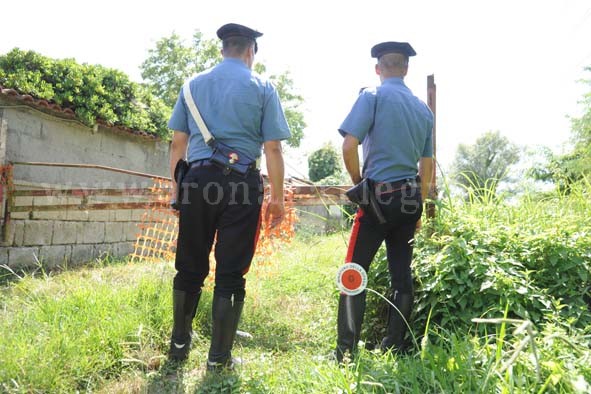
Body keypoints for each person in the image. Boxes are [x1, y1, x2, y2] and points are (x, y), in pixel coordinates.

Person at [167, 23, 290, 370]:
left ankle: (179, 346)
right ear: (251, 51)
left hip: (196, 181)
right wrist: (277, 198)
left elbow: (178, 144)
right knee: (231, 271)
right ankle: (219, 358)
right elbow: (273, 149)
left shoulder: (192, 86)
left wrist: (178, 190)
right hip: (241, 185)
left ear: (223, 49)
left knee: (189, 263)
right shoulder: (263, 88)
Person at [335, 41, 433, 361]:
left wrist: (358, 185)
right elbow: (427, 167)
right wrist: (418, 207)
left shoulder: (372, 96)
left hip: (376, 198)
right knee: (402, 277)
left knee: (354, 271)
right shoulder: (423, 110)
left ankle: (346, 353)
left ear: (378, 69)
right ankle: (394, 346)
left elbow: (349, 146)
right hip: (409, 199)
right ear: (405, 68)